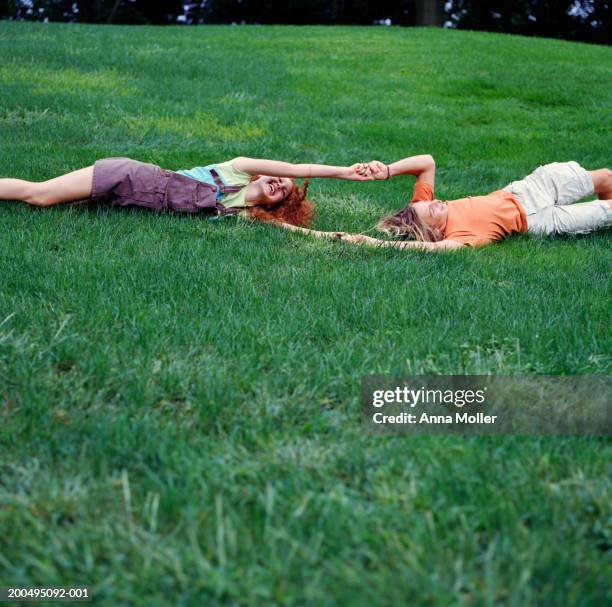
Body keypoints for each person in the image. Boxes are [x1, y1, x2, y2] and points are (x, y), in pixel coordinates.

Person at [298, 154, 611, 251]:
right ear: (433, 231)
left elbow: (428, 163)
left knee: (606, 177)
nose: (437, 202)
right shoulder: (456, 239)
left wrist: (388, 172)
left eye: (431, 203)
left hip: (527, 191)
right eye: (432, 210)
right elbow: (421, 249)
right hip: (541, 223)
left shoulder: (427, 206)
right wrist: (369, 242)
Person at [0, 156, 375, 227]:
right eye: (277, 179)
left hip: (129, 203)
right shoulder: (238, 169)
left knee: (53, 210)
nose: (279, 183)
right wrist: (343, 172)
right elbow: (298, 169)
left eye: (282, 191)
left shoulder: (241, 214)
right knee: (40, 195)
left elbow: (291, 232)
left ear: (276, 206)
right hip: (127, 178)